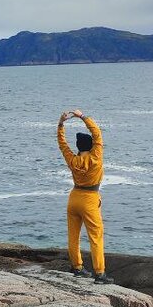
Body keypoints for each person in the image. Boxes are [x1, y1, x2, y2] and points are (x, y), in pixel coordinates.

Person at [57, 109, 113, 283]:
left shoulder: (73, 160)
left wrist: (61, 124)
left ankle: (77, 267)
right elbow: (97, 134)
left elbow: (62, 144)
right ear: (91, 146)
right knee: (95, 236)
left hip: (74, 198)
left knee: (73, 235)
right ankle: (99, 273)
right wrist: (82, 117)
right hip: (90, 198)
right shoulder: (96, 156)